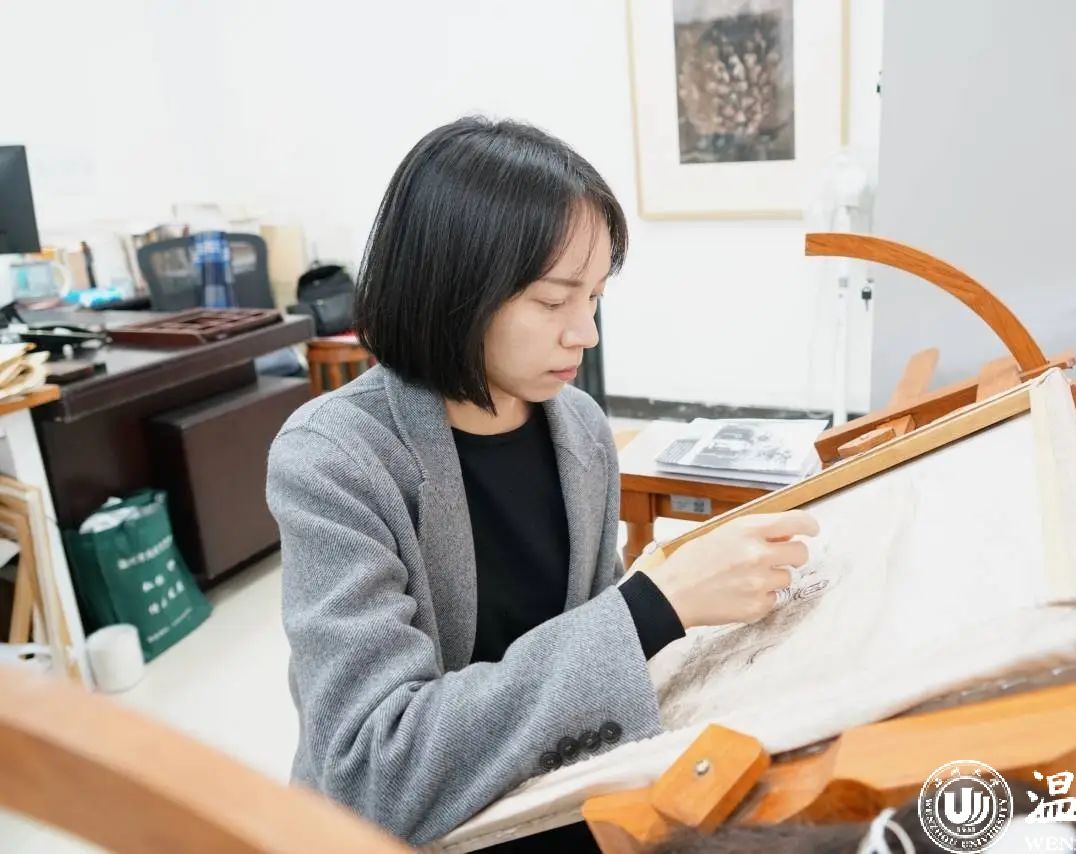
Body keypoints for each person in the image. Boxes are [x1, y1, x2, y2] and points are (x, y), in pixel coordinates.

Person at [266, 116, 819, 848]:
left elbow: (591, 631)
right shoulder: (335, 458)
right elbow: (374, 774)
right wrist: (654, 606)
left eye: (594, 297)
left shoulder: (579, 428)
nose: (585, 333)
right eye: (554, 301)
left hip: (557, 786)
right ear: (453, 288)